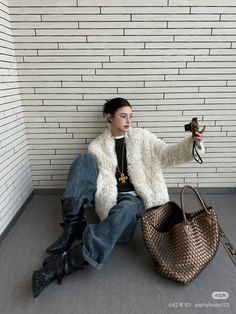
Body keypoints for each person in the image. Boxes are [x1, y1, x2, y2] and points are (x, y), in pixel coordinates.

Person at [32, 97, 205, 298]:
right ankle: (72, 227)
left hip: (139, 200)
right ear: (109, 117)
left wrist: (191, 143)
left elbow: (168, 154)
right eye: (123, 116)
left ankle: (61, 265)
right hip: (112, 201)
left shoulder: (142, 137)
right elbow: (89, 180)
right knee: (83, 159)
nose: (128, 121)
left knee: (126, 208)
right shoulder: (97, 146)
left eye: (130, 116)